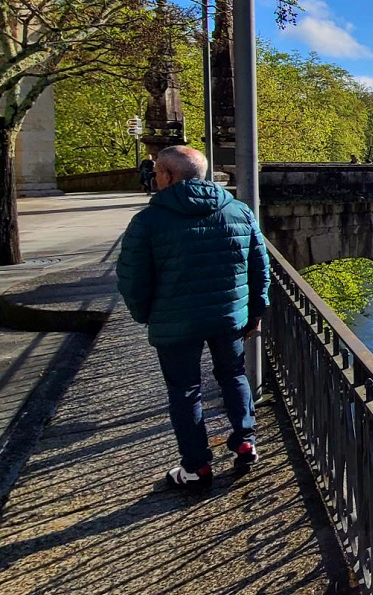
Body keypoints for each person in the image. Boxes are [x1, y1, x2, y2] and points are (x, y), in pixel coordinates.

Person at [116, 146, 269, 489]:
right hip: (228, 316)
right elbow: (260, 267)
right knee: (233, 375)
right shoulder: (239, 212)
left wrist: (144, 314)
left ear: (169, 176)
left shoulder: (147, 222)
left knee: (185, 391)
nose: (153, 178)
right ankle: (245, 442)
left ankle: (197, 467)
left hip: (175, 322)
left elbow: (132, 278)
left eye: (156, 172)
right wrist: (256, 310)